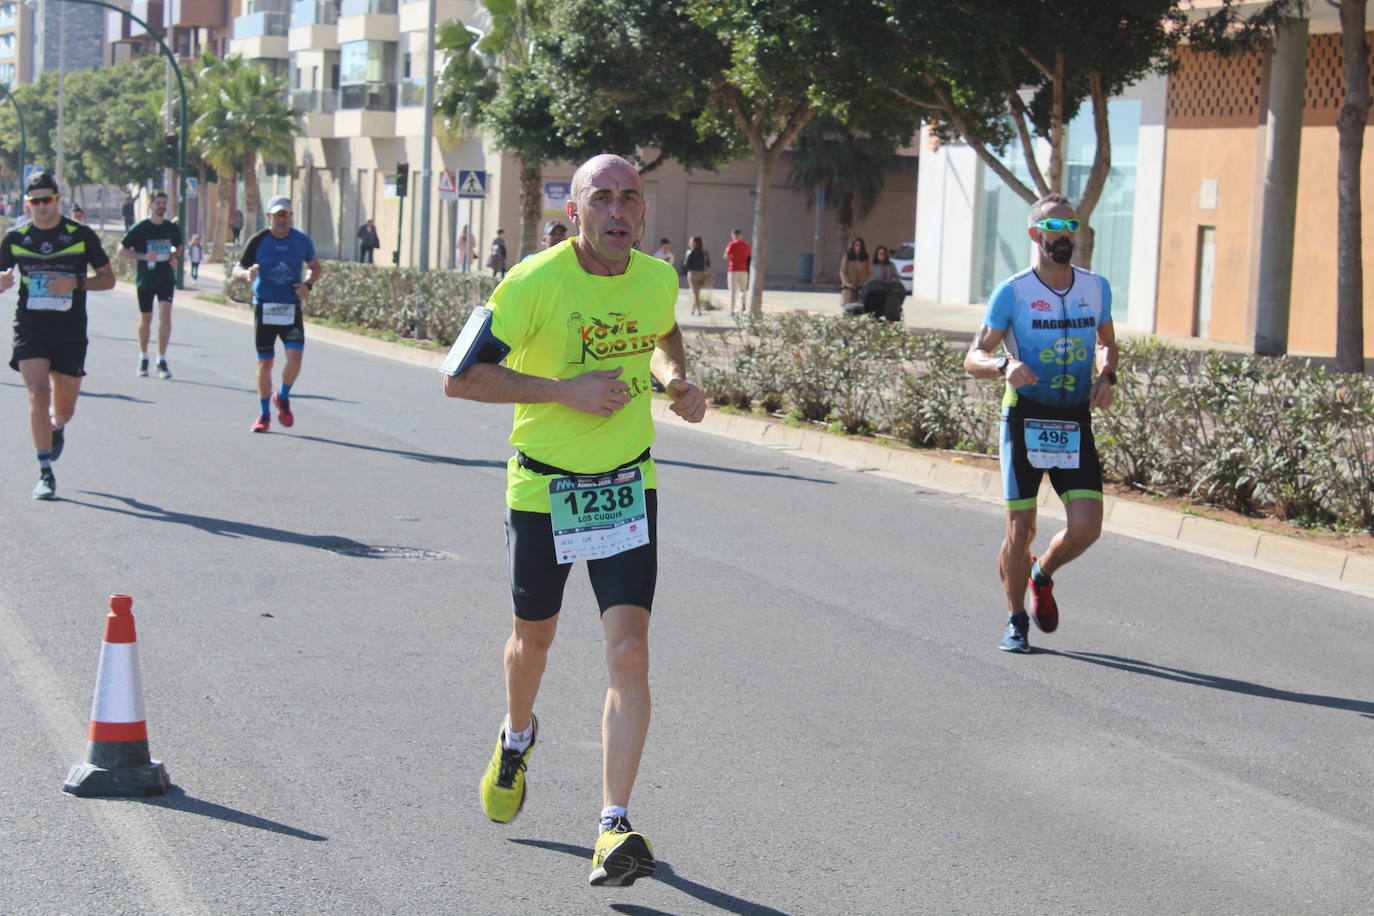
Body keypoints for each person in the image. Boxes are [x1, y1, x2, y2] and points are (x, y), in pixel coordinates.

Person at [442, 153, 706, 888]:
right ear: (575, 212)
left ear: (643, 211)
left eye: (630, 198)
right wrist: (564, 390)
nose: (617, 211)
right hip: (545, 488)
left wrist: (675, 379)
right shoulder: (533, 281)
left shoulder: (657, 277)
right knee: (535, 642)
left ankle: (613, 823)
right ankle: (517, 735)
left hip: (626, 485)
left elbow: (662, 333)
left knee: (629, 651)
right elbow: (458, 377)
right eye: (602, 199)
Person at [963, 193, 1119, 654]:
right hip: (1024, 417)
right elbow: (974, 356)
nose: (1064, 233)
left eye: (1070, 225)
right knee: (1021, 529)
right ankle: (1015, 620)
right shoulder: (1013, 291)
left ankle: (1042, 573)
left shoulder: (1096, 287)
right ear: (1035, 235)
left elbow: (1107, 343)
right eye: (1054, 227)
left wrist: (1108, 374)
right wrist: (1001, 367)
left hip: (1073, 417)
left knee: (1088, 528)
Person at [1, 172, 116, 500]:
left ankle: (58, 426)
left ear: (57, 200)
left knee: (63, 410)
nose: (41, 206)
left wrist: (76, 283)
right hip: (31, 326)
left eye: (46, 199)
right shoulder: (15, 238)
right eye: (35, 201)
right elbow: (1, 273)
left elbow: (109, 279)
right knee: (37, 395)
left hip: (70, 332)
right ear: (27, 203)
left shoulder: (80, 235)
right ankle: (45, 473)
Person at [231, 195, 321, 433]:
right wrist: (246, 274)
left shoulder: (301, 241)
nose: (281, 220)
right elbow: (236, 269)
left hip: (290, 307)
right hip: (265, 306)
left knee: (295, 358)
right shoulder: (258, 240)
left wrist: (308, 285)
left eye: (285, 215)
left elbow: (314, 267)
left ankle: (282, 395)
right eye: (277, 215)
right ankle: (263, 415)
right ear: (268, 217)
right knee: (265, 363)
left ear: (290, 217)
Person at [120, 190, 183, 379]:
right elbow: (121, 250)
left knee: (166, 314)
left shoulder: (171, 228)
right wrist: (142, 256)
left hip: (165, 278)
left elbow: (178, 246)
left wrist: (174, 256)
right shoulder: (141, 228)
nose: (161, 206)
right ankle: (143, 356)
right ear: (150, 205)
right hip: (146, 278)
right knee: (146, 318)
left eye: (164, 202)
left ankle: (161, 359)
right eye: (158, 203)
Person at [723, 228, 751, 314]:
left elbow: (726, 256)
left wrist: (731, 257)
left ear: (733, 235)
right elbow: (748, 256)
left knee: (733, 291)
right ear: (741, 235)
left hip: (733, 270)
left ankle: (732, 310)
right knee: (743, 290)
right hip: (744, 270)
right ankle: (743, 307)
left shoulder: (732, 244)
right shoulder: (746, 245)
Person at [839, 237, 871, 308]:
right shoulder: (847, 256)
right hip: (849, 284)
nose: (858, 247)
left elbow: (870, 273)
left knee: (861, 303)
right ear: (853, 246)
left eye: (860, 245)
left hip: (861, 284)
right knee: (847, 297)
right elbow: (842, 271)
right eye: (856, 245)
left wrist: (866, 283)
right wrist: (846, 283)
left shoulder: (866, 257)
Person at [682, 236, 710, 315]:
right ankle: (693, 310)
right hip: (702, 274)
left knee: (695, 293)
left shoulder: (689, 252)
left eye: (691, 241)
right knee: (697, 292)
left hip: (693, 274)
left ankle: (699, 311)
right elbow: (708, 264)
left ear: (694, 243)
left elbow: (686, 264)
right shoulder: (705, 252)